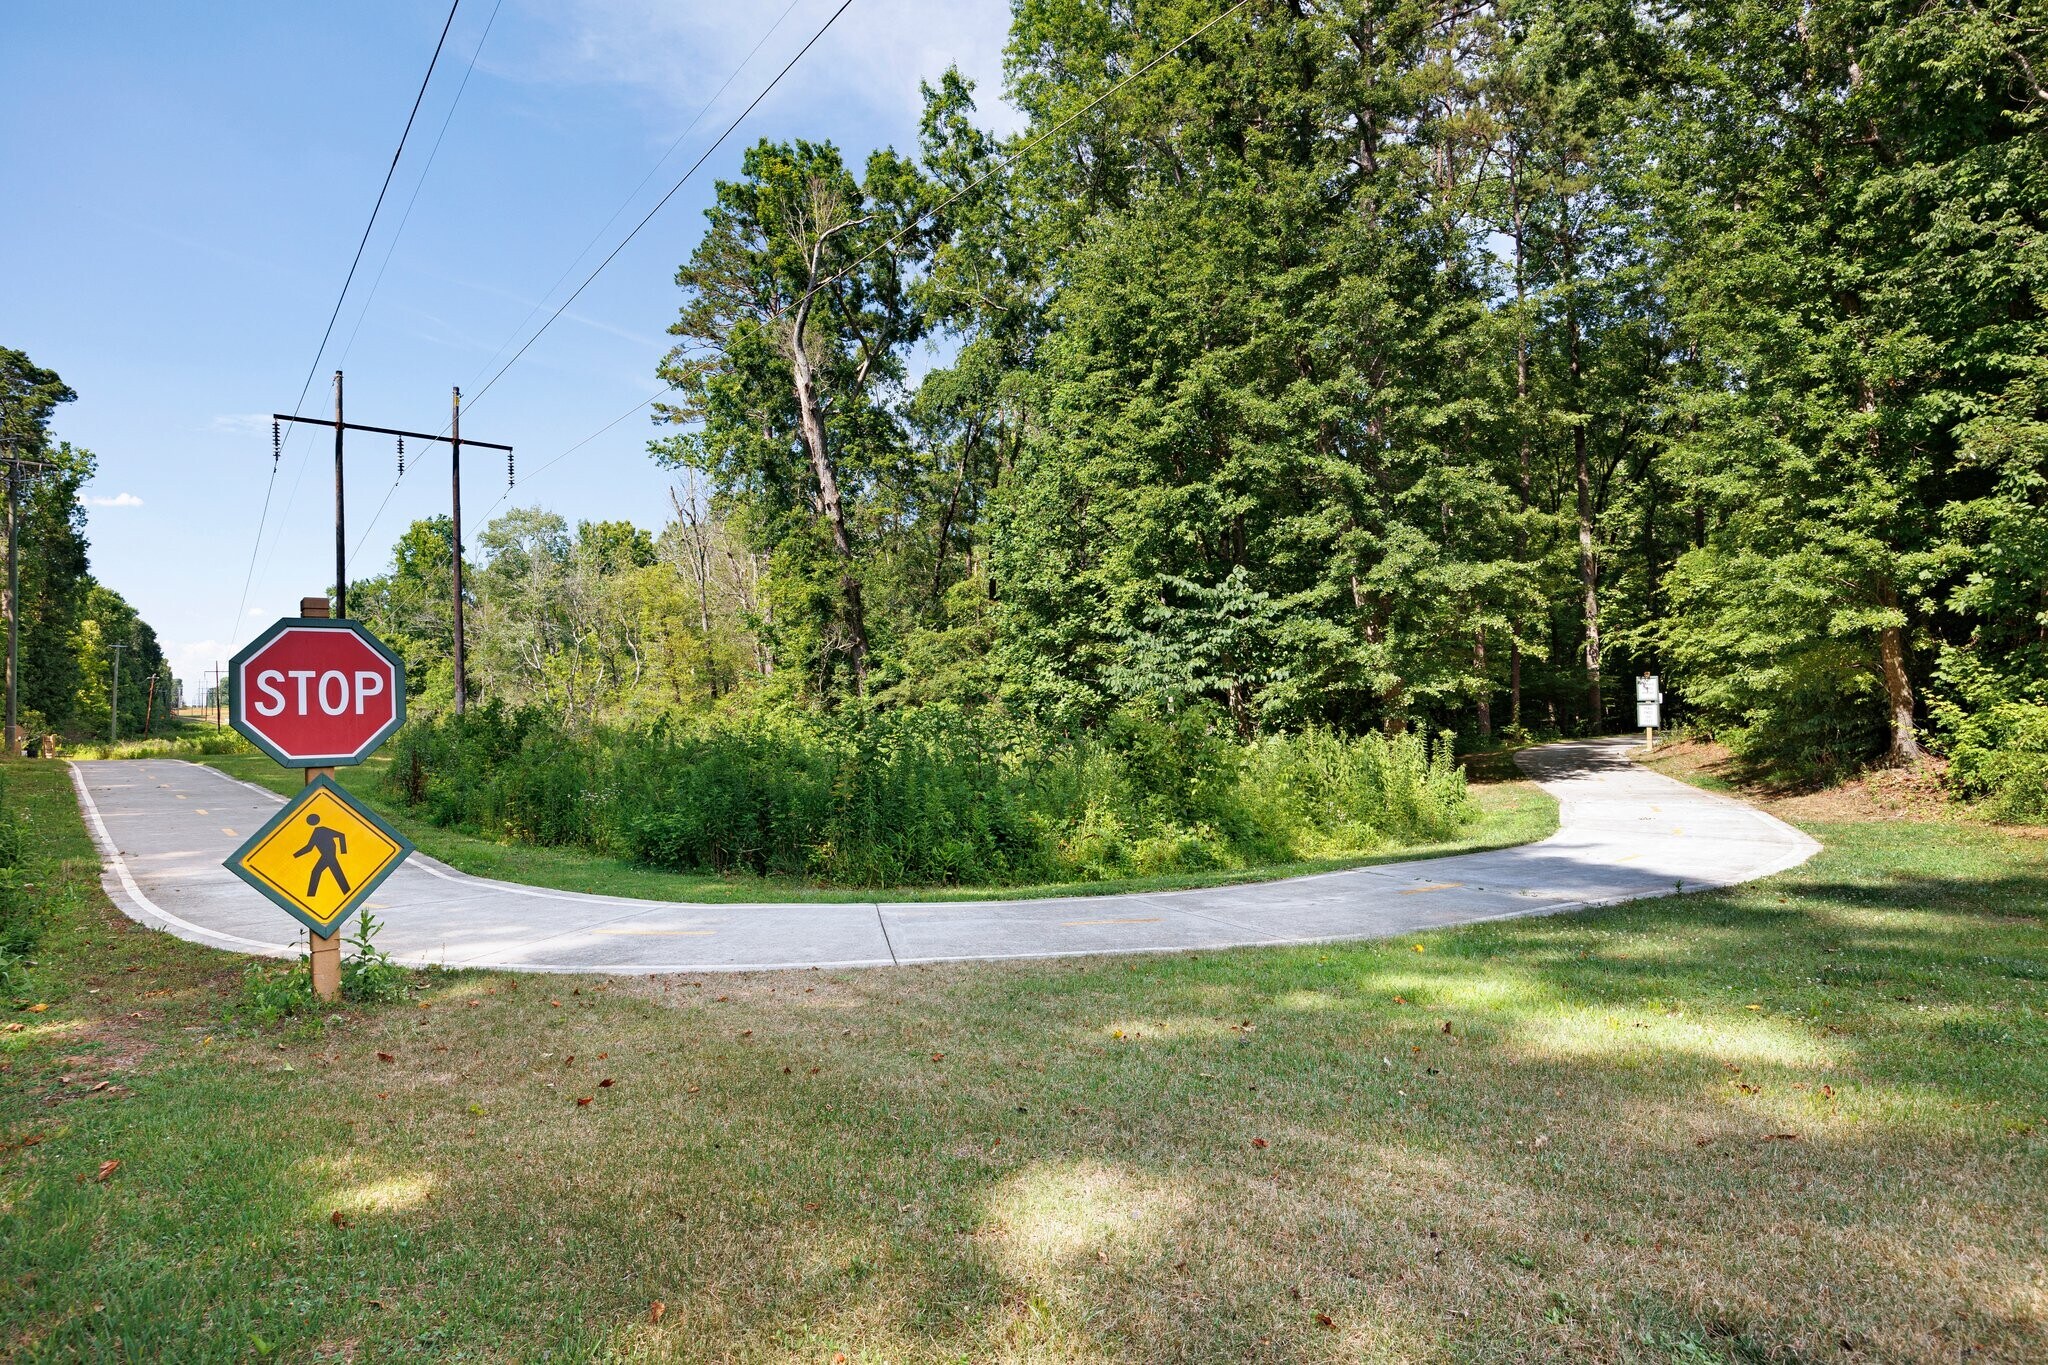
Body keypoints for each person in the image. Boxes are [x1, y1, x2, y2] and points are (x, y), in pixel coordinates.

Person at [293, 812, 350, 897]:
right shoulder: (317, 831)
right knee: (335, 873)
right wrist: (295, 855)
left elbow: (341, 835)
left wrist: (343, 851)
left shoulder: (322, 830)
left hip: (329, 855)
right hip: (327, 856)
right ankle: (346, 891)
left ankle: (311, 895)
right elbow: (309, 848)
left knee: (317, 872)